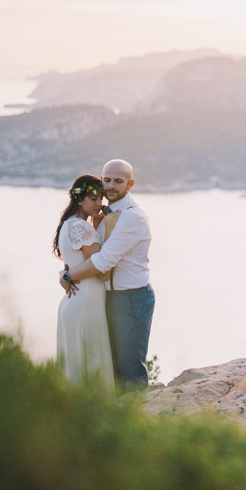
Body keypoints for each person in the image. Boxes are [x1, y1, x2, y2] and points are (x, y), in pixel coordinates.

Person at [61, 159, 154, 389]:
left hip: (130, 297)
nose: (111, 186)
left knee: (130, 369)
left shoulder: (131, 216)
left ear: (130, 184)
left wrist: (67, 276)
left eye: (118, 181)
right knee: (112, 371)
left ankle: (140, 412)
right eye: (108, 180)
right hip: (108, 297)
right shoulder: (104, 216)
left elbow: (102, 261)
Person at [54, 175, 114, 390]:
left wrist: (66, 275)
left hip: (73, 303)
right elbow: (102, 272)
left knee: (76, 369)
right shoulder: (82, 228)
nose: (99, 204)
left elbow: (75, 263)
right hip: (86, 304)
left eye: (101, 199)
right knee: (93, 364)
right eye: (93, 199)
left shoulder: (67, 225)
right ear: (79, 199)